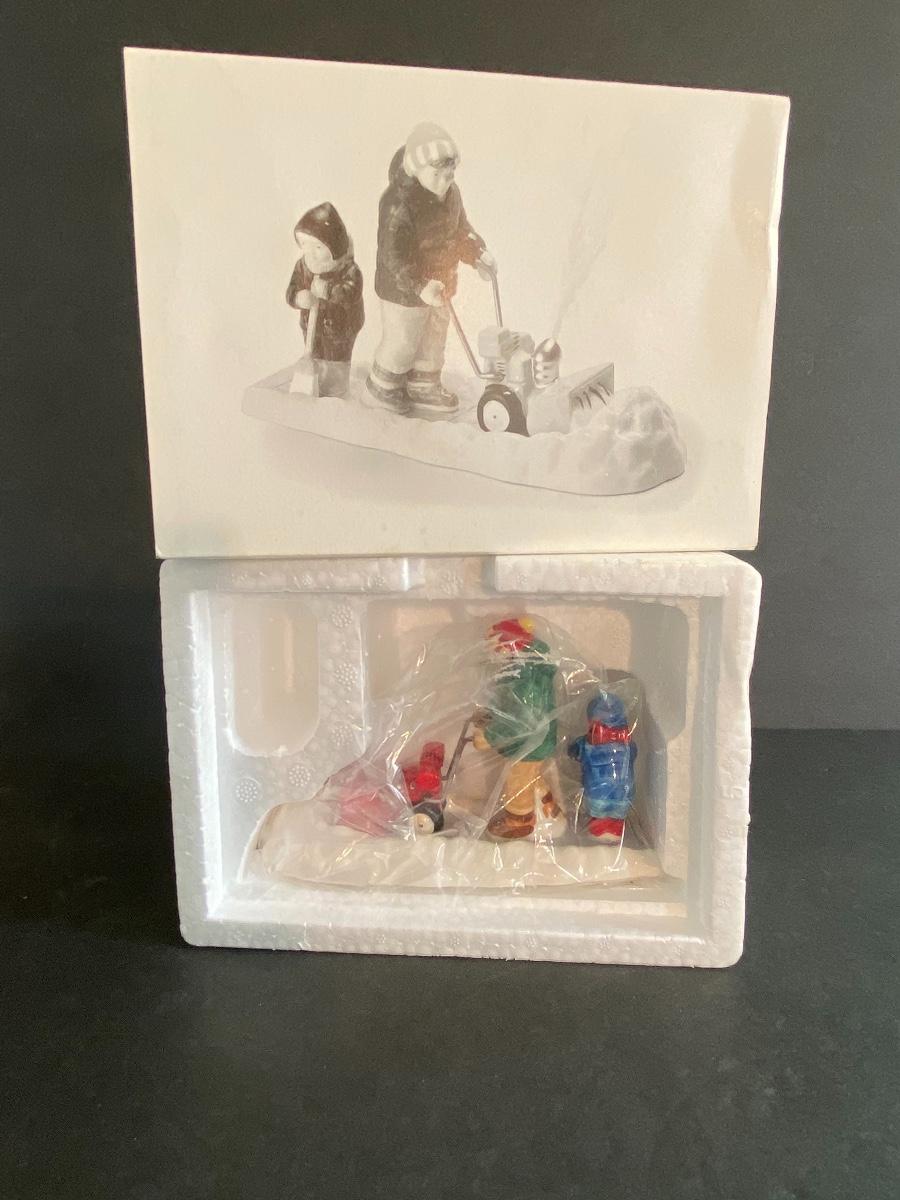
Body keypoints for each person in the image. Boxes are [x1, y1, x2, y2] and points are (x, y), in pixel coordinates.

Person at [366, 122, 496, 417]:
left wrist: (477, 254)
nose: (443, 182)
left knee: (434, 338)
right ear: (416, 170)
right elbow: (392, 255)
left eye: (449, 174)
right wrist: (419, 285)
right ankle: (383, 385)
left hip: (441, 285)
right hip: (403, 291)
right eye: (436, 175)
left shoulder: (452, 195)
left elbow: (460, 231)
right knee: (403, 339)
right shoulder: (398, 204)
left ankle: (423, 384)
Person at [472, 617, 565, 840]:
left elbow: (522, 722)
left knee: (517, 782)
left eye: (496, 647)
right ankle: (549, 808)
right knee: (529, 775)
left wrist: (490, 735)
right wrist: (492, 716)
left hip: (530, 744)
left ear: (510, 646)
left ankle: (519, 822)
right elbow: (512, 708)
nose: (494, 653)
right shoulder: (524, 671)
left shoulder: (526, 680)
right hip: (534, 742)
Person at [286, 202, 364, 398]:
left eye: (318, 247)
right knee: (314, 355)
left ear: (334, 246)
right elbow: (291, 290)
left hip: (340, 330)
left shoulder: (347, 269)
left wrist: (328, 290)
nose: (310, 252)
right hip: (311, 327)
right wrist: (298, 298)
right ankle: (313, 384)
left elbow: (351, 293)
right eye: (304, 244)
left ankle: (335, 391)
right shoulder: (303, 266)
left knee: (335, 362)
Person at [567, 693, 637, 843]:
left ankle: (599, 828)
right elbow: (634, 754)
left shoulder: (586, 743)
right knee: (618, 814)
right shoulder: (627, 743)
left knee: (598, 812)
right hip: (623, 794)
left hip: (596, 794)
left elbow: (573, 752)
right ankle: (615, 828)